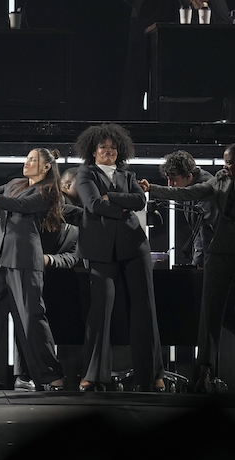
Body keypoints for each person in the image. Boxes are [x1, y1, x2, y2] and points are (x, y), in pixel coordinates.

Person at [140, 141, 235, 394]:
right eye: (225, 161)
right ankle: (204, 373)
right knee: (209, 315)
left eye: (230, 161)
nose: (226, 166)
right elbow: (190, 192)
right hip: (221, 253)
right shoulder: (221, 179)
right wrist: (153, 189)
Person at [0, 148, 67, 392]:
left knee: (31, 318)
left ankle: (51, 375)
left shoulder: (49, 190)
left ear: (45, 167)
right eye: (27, 158)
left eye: (34, 160)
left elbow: (19, 205)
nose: (27, 162)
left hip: (23, 258)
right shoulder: (15, 183)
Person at [74, 123, 165, 392]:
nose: (108, 151)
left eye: (113, 147)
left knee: (145, 310)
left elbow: (140, 201)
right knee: (100, 311)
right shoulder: (84, 173)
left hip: (135, 247)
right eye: (103, 147)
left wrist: (111, 196)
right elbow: (93, 205)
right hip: (101, 251)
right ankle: (92, 375)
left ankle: (151, 374)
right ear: (93, 150)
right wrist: (122, 205)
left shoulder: (128, 174)